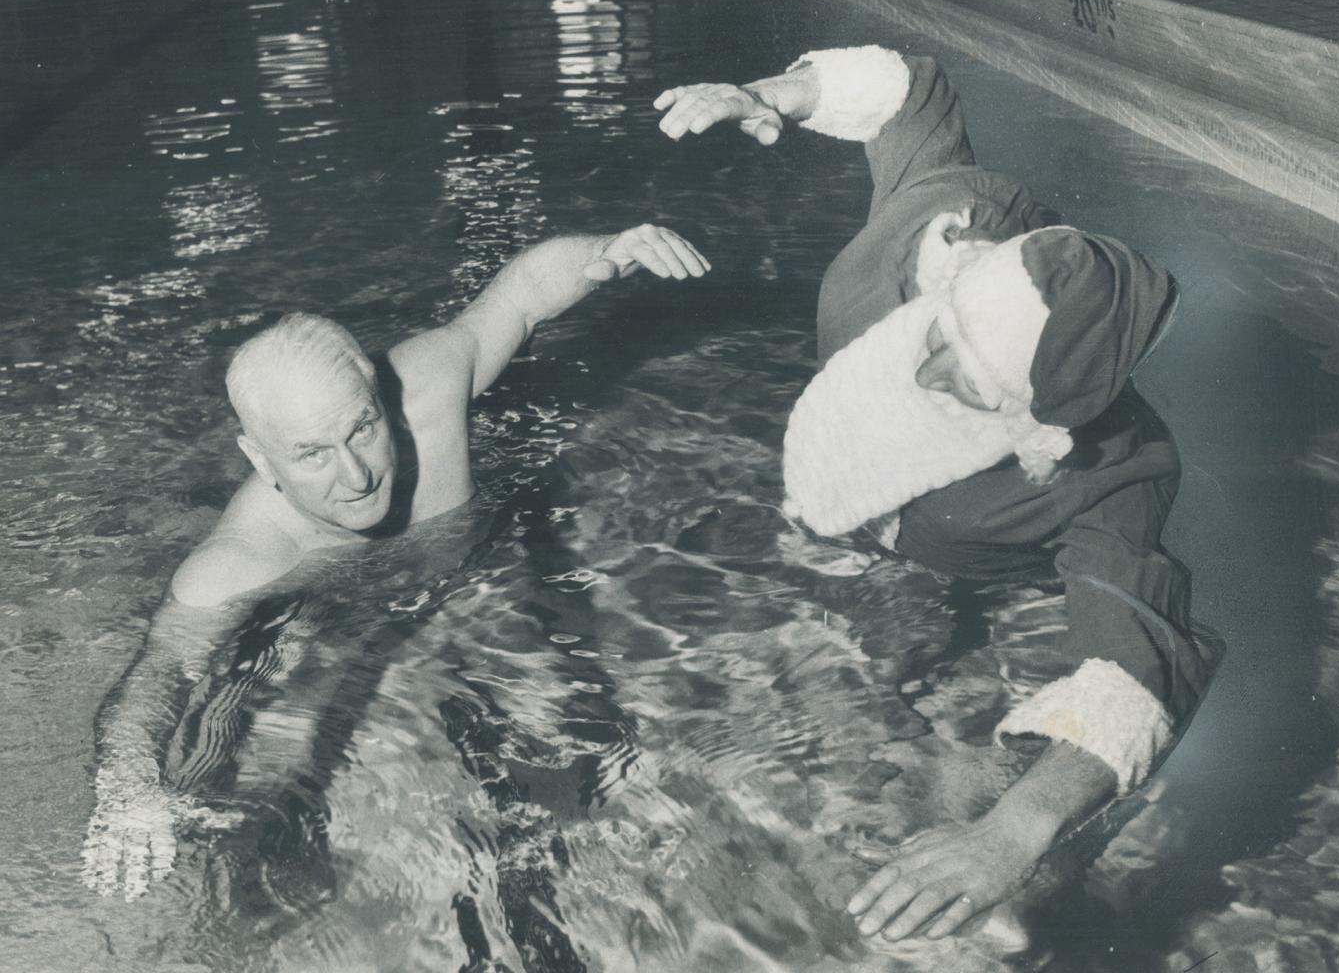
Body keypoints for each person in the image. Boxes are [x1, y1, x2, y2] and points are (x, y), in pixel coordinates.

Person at [654, 46, 1220, 942]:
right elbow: (909, 90)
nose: (925, 366)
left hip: (975, 575)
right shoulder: (943, 227)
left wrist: (1008, 836)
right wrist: (761, 93)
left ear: (1042, 428)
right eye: (944, 331)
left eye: (968, 381)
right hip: (836, 518)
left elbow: (1140, 665)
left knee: (979, 813)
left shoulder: (1116, 471)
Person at [82, 224, 711, 901]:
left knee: (584, 775)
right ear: (263, 461)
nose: (355, 477)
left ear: (382, 399)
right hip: (323, 611)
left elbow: (522, 294)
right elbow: (163, 671)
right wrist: (128, 788)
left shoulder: (429, 387)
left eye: (361, 429)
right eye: (311, 455)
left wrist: (604, 253)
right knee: (256, 801)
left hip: (476, 569)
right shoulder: (245, 557)